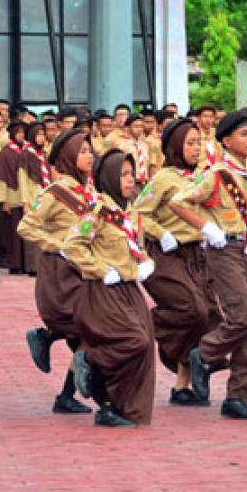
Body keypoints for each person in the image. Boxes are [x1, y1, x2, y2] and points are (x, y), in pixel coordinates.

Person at [171, 110, 247, 420]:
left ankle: (238, 397)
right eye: (243, 134)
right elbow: (179, 202)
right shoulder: (216, 174)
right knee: (246, 316)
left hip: (246, 250)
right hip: (223, 251)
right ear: (226, 141)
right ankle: (205, 353)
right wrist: (206, 228)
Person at [66, 149, 156, 427]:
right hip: (104, 289)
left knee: (145, 346)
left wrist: (146, 263)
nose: (130, 180)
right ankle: (90, 360)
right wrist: (102, 270)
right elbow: (72, 246)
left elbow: (136, 248)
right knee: (133, 342)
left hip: (129, 288)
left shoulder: (128, 213)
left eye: (132, 174)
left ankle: (117, 407)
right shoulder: (98, 212)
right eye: (123, 175)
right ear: (108, 177)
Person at [135, 118, 215, 407]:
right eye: (190, 143)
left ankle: (183, 385)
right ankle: (140, 324)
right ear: (174, 147)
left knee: (209, 314)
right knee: (192, 309)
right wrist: (162, 233)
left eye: (199, 142)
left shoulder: (203, 177)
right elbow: (138, 213)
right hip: (167, 254)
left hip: (197, 254)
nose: (197, 149)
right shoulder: (163, 179)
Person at [19, 128, 97, 415]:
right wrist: (57, 245)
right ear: (68, 156)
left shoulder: (89, 191)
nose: (90, 156)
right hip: (61, 270)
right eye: (83, 151)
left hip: (85, 267)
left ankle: (65, 393)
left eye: (91, 151)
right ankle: (48, 337)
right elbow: (26, 226)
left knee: (87, 332)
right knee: (90, 325)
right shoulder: (55, 192)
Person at [0, 121, 28, 274]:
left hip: (26, 197)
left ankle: (25, 263)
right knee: (13, 234)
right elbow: (1, 178)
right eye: (18, 132)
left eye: (23, 132)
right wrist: (4, 200)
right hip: (12, 197)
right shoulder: (6, 153)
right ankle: (14, 265)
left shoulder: (26, 151)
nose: (21, 135)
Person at [18, 123, 50, 276]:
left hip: (45, 195)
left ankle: (41, 265)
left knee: (44, 230)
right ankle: (32, 266)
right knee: (31, 230)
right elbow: (22, 179)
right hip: (32, 197)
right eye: (38, 135)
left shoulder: (43, 154)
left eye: (43, 135)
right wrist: (25, 201)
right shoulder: (26, 154)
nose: (41, 138)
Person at [196, 104, 221, 170]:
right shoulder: (194, 133)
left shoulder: (217, 133)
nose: (208, 119)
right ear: (198, 118)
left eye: (211, 117)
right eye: (205, 116)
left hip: (216, 170)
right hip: (199, 172)